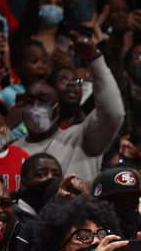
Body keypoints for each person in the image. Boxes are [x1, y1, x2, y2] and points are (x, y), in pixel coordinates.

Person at [15, 22, 125, 184]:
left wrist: (95, 59)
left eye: (44, 100)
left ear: (57, 107)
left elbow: (113, 113)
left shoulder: (84, 137)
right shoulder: (13, 151)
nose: (36, 106)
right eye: (30, 101)